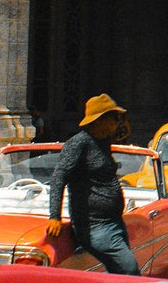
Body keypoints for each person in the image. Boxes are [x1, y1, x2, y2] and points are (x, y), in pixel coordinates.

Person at [47, 93, 139, 273]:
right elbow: (59, 176)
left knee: (119, 273)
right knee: (130, 269)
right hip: (95, 225)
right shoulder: (79, 143)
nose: (117, 122)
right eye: (113, 118)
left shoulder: (102, 141)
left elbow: (125, 132)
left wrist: (123, 117)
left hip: (113, 222)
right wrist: (54, 216)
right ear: (99, 121)